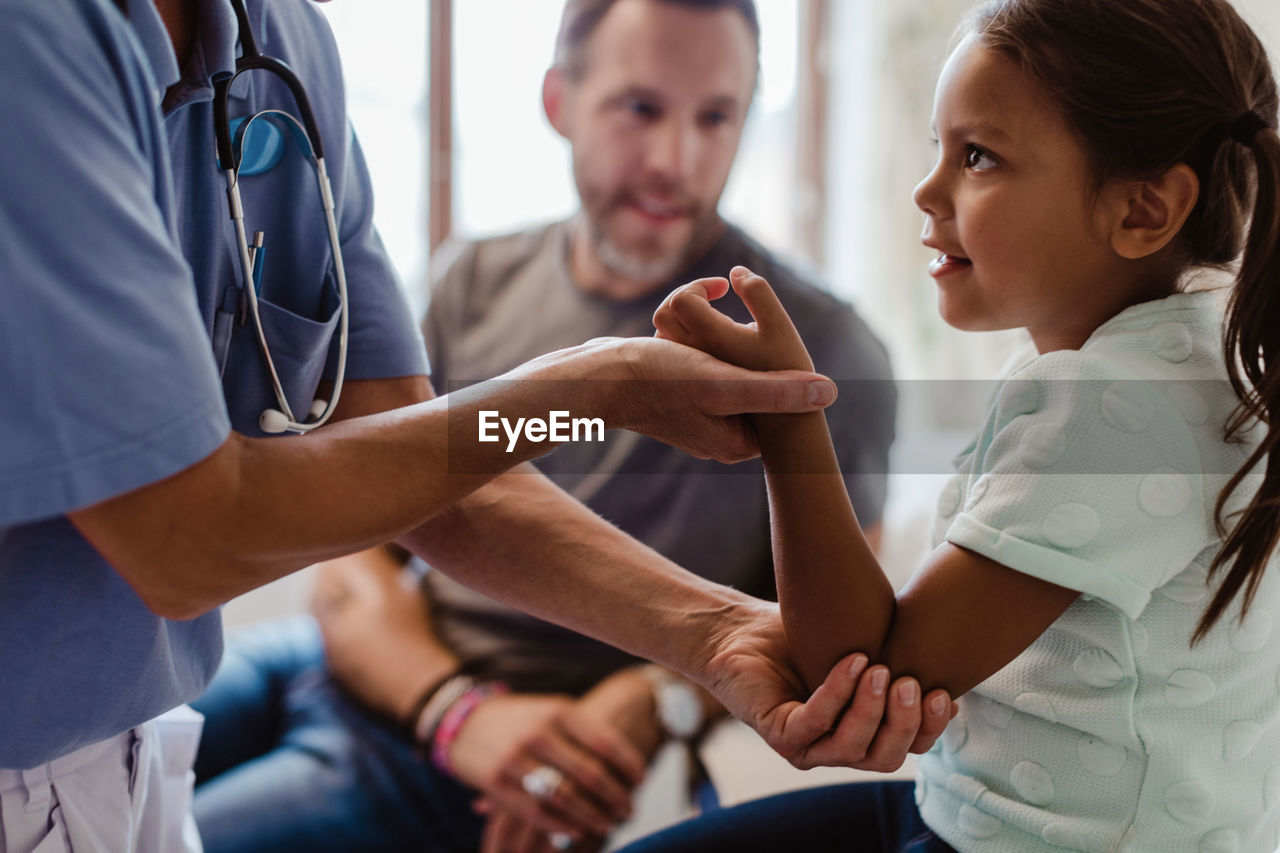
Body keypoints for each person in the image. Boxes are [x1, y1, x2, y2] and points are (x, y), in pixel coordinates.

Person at [0, 0, 952, 850]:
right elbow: (226, 532)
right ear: (558, 103)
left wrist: (699, 651)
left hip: (239, 725)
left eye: (717, 117)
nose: (674, 158)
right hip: (321, 674)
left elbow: (441, 472)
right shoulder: (41, 43)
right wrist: (596, 387)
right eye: (639, 108)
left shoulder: (285, 48)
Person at [629, 0, 1280, 849]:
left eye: (978, 156)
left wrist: (788, 410)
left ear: (1143, 211)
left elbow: (862, 668)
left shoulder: (1112, 406)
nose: (926, 189)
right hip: (968, 806)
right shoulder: (1202, 350)